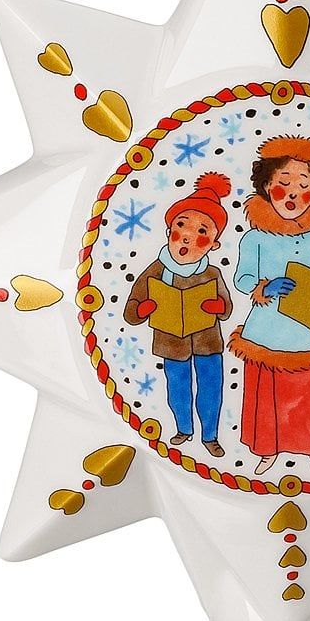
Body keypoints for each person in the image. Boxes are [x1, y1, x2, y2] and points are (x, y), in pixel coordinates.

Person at [228, 136, 310, 474]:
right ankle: (268, 449)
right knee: (273, 393)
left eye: (304, 185)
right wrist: (265, 287)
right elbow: (242, 278)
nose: (294, 194)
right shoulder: (255, 237)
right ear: (267, 186)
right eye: (284, 183)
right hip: (270, 328)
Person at [123, 172, 233, 456]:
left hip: (208, 343)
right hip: (171, 343)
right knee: (178, 387)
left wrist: (218, 307)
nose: (187, 237)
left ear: (213, 244)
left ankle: (210, 435)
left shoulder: (211, 273)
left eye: (201, 232)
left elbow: (227, 306)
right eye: (181, 226)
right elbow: (131, 310)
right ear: (169, 231)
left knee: (211, 388)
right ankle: (184, 428)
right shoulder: (156, 270)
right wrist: (143, 309)